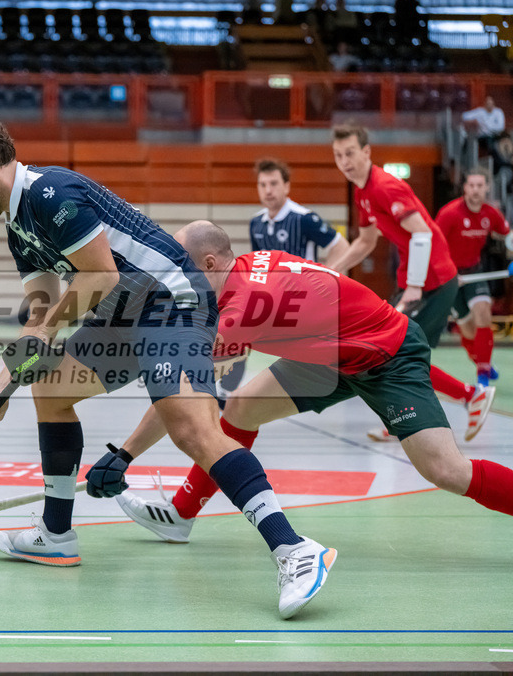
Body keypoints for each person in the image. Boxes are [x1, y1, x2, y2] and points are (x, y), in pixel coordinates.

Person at [0, 114, 335, 619]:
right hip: (123, 313)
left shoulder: (50, 193)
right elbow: (42, 314)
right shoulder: (19, 228)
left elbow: (98, 276)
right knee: (48, 389)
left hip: (172, 301)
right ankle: (55, 534)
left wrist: (46, 330)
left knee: (191, 427)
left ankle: (295, 549)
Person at [110, 221, 513, 546]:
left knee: (445, 469)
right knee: (243, 406)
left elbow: (178, 388)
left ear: (211, 264)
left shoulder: (243, 307)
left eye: (185, 270)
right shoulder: (249, 265)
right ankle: (180, 515)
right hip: (332, 356)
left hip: (386, 354)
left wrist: (124, 455)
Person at [324, 122, 493, 443]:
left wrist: (415, 286)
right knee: (392, 350)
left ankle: (469, 397)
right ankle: (455, 400)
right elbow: (365, 242)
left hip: (435, 282)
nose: (344, 161)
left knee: (399, 352)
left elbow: (422, 232)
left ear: (366, 152)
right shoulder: (362, 192)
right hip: (414, 281)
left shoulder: (386, 187)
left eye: (349, 153)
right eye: (337, 155)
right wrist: (332, 269)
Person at [222, 158, 352, 398]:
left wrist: (325, 277)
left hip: (303, 301)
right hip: (271, 299)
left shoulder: (304, 218)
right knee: (238, 326)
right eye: (263, 185)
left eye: (273, 183)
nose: (268, 190)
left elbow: (341, 246)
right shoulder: (257, 222)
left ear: (287, 186)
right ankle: (225, 393)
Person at [435, 168, 511, 387]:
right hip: (450, 276)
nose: (476, 190)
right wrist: (447, 273)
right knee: (467, 330)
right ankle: (482, 361)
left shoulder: (491, 213)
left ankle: (483, 374)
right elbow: (434, 246)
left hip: (475, 272)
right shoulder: (449, 213)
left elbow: (508, 236)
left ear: (487, 188)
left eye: (480, 185)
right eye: (472, 185)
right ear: (465, 188)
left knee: (483, 314)